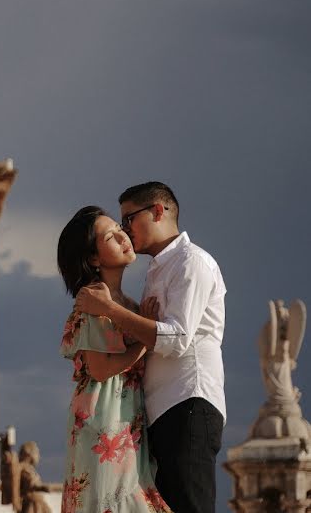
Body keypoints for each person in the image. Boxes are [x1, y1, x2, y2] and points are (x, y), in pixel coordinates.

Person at [77, 182, 226, 513]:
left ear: (158, 211)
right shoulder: (159, 270)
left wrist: (111, 310)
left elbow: (175, 340)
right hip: (162, 413)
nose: (127, 231)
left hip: (188, 403)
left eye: (128, 219)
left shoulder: (191, 263)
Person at [58, 206, 170, 513]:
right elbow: (100, 368)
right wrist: (145, 343)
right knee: (110, 500)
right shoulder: (93, 300)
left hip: (126, 414)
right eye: (111, 236)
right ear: (93, 258)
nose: (124, 236)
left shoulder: (128, 306)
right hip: (102, 416)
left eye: (121, 229)